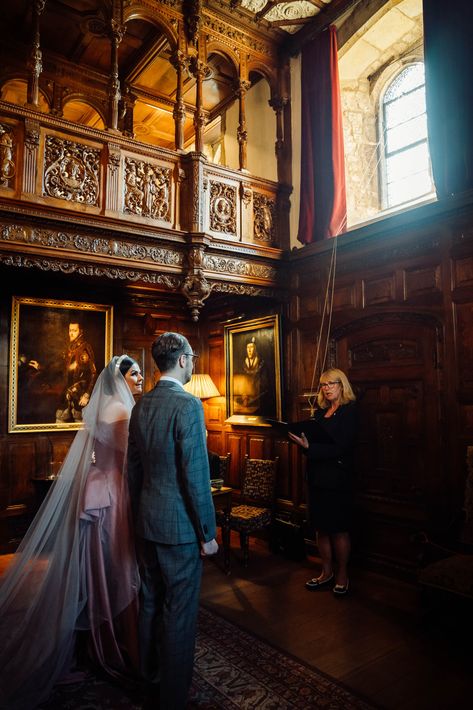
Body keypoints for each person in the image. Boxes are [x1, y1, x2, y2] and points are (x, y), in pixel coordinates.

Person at [0, 355, 143, 710]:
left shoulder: (104, 406)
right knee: (120, 569)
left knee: (97, 566)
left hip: (98, 490)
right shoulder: (119, 411)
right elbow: (132, 458)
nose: (141, 378)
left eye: (141, 372)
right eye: (135, 373)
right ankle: (125, 650)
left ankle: (95, 637)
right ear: (119, 378)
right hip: (111, 494)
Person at [127, 332, 218, 710]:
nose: (194, 363)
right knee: (179, 613)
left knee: (150, 603)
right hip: (179, 528)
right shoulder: (189, 406)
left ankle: (149, 683)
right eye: (193, 357)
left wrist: (139, 514)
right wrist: (208, 533)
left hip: (147, 522)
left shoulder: (140, 405)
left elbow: (133, 471)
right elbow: (196, 476)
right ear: (181, 360)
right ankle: (172, 698)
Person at [289, 368, 357, 596]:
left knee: (338, 529)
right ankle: (325, 572)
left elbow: (343, 448)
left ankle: (342, 574)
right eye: (323, 385)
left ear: (342, 385)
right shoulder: (319, 414)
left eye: (330, 384)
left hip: (338, 480)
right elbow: (313, 448)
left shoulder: (350, 412)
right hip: (317, 478)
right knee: (321, 528)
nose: (326, 388)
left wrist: (311, 447)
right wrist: (302, 443)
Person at [56, 320, 97, 423]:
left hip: (80, 395)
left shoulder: (85, 347)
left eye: (74, 330)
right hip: (66, 394)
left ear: (80, 332)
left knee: (80, 429)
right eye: (70, 330)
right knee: (59, 422)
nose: (71, 333)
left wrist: (87, 394)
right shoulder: (69, 348)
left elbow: (93, 373)